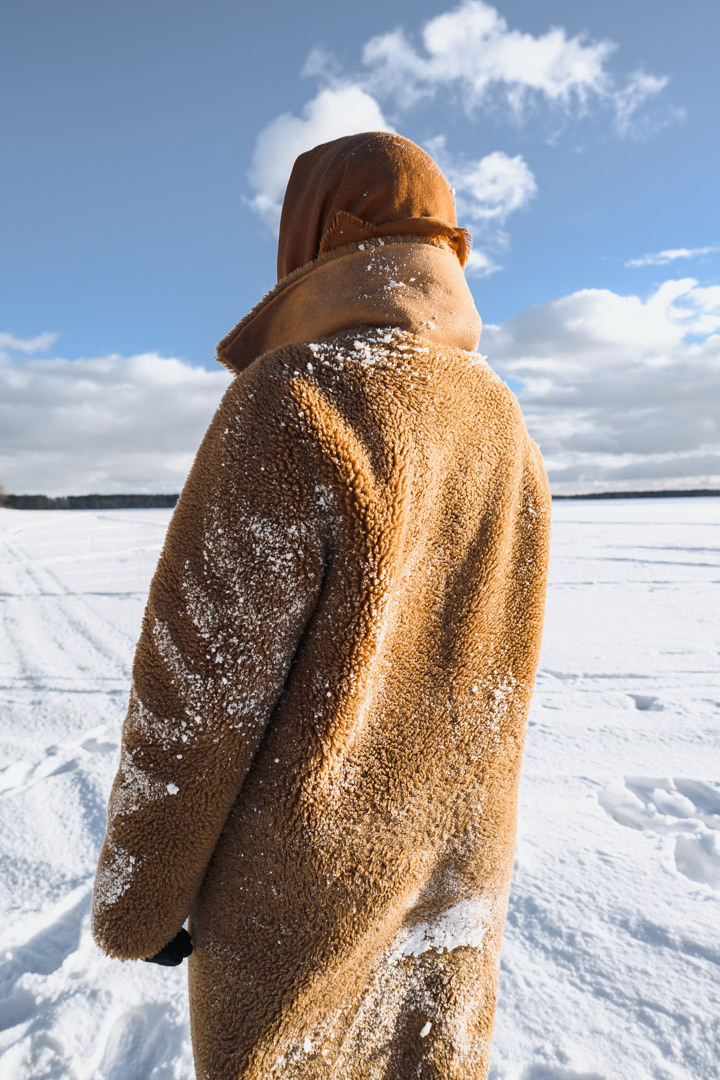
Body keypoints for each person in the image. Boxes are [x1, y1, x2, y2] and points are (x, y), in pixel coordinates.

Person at [92, 131, 552, 1080]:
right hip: (451, 890)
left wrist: (141, 901)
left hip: (294, 914)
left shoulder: (296, 398)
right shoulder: (505, 423)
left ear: (312, 239)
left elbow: (199, 691)